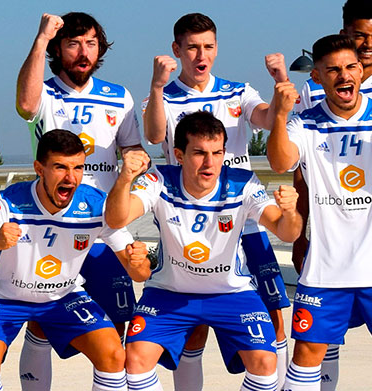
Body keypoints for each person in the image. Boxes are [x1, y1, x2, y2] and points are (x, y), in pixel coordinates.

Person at [141, 12, 292, 389]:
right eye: (191, 47)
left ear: (216, 49)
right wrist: (158, 86)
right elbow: (154, 133)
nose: (200, 54)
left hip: (245, 215)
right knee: (191, 328)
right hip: (191, 214)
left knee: (273, 317)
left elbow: (270, 120)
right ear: (177, 49)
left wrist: (280, 83)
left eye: (208, 46)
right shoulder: (164, 95)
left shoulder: (237, 91)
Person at [105, 111, 301, 391]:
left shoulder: (242, 182)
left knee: (265, 364)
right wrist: (125, 179)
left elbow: (287, 231)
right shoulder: (160, 179)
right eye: (199, 153)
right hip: (169, 293)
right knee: (135, 360)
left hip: (231, 293)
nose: (210, 162)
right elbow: (116, 219)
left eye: (217, 152)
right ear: (179, 154)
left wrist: (291, 211)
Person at [0, 129, 150, 391]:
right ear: (39, 168)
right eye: (60, 167)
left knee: (114, 354)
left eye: (78, 167)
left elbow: (140, 273)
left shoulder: (96, 204)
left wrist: (138, 262)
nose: (71, 178)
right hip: (4, 298)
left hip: (62, 297)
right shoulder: (8, 202)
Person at [15, 12, 144, 390]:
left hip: (103, 230)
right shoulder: (45, 92)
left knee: (117, 328)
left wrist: (140, 162)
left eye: (90, 43)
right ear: (58, 49)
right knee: (40, 323)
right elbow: (25, 104)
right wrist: (40, 38)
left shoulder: (119, 96)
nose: (83, 52)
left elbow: (132, 148)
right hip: (50, 229)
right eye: (72, 43)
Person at [267, 34, 372, 391]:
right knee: (309, 353)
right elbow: (280, 161)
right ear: (317, 78)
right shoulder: (305, 123)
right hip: (327, 269)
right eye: (333, 70)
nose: (344, 76)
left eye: (351, 67)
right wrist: (280, 114)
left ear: (361, 71)